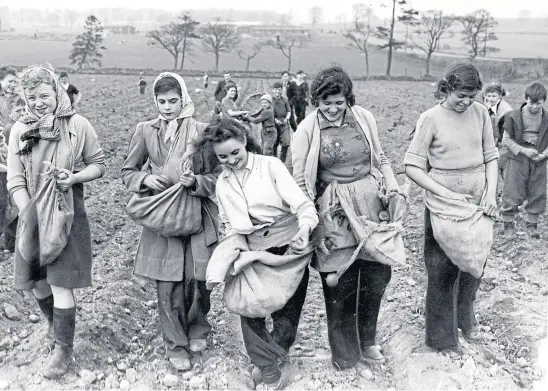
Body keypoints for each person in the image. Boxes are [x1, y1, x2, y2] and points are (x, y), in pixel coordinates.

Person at [197, 117, 318, 390]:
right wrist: (234, 252)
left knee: (287, 310)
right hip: (250, 248)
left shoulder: (270, 166)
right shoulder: (223, 184)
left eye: (235, 152)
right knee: (248, 307)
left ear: (244, 140)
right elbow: (228, 224)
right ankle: (267, 368)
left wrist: (305, 228)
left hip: (287, 246)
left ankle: (276, 350)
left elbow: (302, 205)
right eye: (222, 157)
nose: (231, 160)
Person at [292, 66, 400, 370]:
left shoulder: (362, 118)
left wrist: (391, 186)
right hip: (334, 205)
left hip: (369, 201)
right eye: (326, 102)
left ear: (347, 97)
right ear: (316, 100)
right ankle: (345, 354)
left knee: (377, 274)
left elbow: (383, 158)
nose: (333, 108)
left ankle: (368, 341)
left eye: (339, 101)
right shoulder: (308, 129)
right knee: (340, 280)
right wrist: (310, 219)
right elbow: (301, 179)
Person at [7, 66, 106, 378]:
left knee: (60, 281)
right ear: (24, 98)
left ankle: (63, 348)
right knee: (36, 283)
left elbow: (99, 164)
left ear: (57, 93)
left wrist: (73, 177)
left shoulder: (77, 125)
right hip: (31, 213)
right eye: (32, 97)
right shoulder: (19, 130)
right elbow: (14, 179)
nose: (39, 102)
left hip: (67, 211)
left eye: (45, 95)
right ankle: (53, 325)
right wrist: (28, 213)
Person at [121, 72, 220, 372]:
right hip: (162, 217)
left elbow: (218, 177)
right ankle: (175, 343)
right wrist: (146, 178)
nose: (167, 107)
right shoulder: (145, 130)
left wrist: (196, 183)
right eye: (161, 101)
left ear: (183, 99)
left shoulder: (201, 131)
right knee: (167, 284)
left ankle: (197, 327)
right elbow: (127, 171)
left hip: (195, 215)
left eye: (173, 101)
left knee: (197, 280)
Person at [404, 63, 499, 359]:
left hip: (477, 199)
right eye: (461, 95)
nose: (466, 102)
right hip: (444, 202)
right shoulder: (430, 119)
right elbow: (412, 166)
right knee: (442, 268)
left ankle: (465, 320)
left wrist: (491, 193)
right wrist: (443, 192)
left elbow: (491, 156)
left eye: (472, 96)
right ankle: (442, 339)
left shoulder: (481, 113)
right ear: (446, 89)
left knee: (473, 263)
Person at [500, 82, 548, 239]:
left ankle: (532, 225)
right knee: (512, 190)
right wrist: (524, 151)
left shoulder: (547, 118)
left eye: (538, 103)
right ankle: (508, 225)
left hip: (538, 159)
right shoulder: (513, 116)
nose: (534, 107)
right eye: (531, 102)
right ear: (526, 99)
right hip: (517, 158)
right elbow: (506, 140)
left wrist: (544, 154)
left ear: (544, 101)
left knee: (537, 191)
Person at [1, 95, 25, 254]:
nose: (22, 113)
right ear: (10, 113)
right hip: (9, 173)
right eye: (18, 110)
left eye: (24, 110)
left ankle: (12, 244)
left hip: (12, 171)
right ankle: (9, 244)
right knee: (10, 209)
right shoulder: (11, 129)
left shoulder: (19, 126)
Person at [483, 82, 513, 180]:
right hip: (493, 142)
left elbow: (506, 132)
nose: (490, 99)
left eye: (493, 96)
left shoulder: (505, 111)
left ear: (500, 96)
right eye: (488, 96)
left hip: (504, 144)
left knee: (497, 168)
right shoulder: (487, 106)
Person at [272, 82, 292, 164]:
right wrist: (275, 120)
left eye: (279, 90)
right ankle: (274, 161)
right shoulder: (270, 100)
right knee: (274, 143)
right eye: (276, 90)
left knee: (286, 143)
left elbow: (289, 111)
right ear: (273, 90)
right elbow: (267, 112)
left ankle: (282, 162)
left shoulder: (285, 99)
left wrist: (287, 118)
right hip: (274, 123)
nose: (277, 92)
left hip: (284, 123)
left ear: (281, 90)